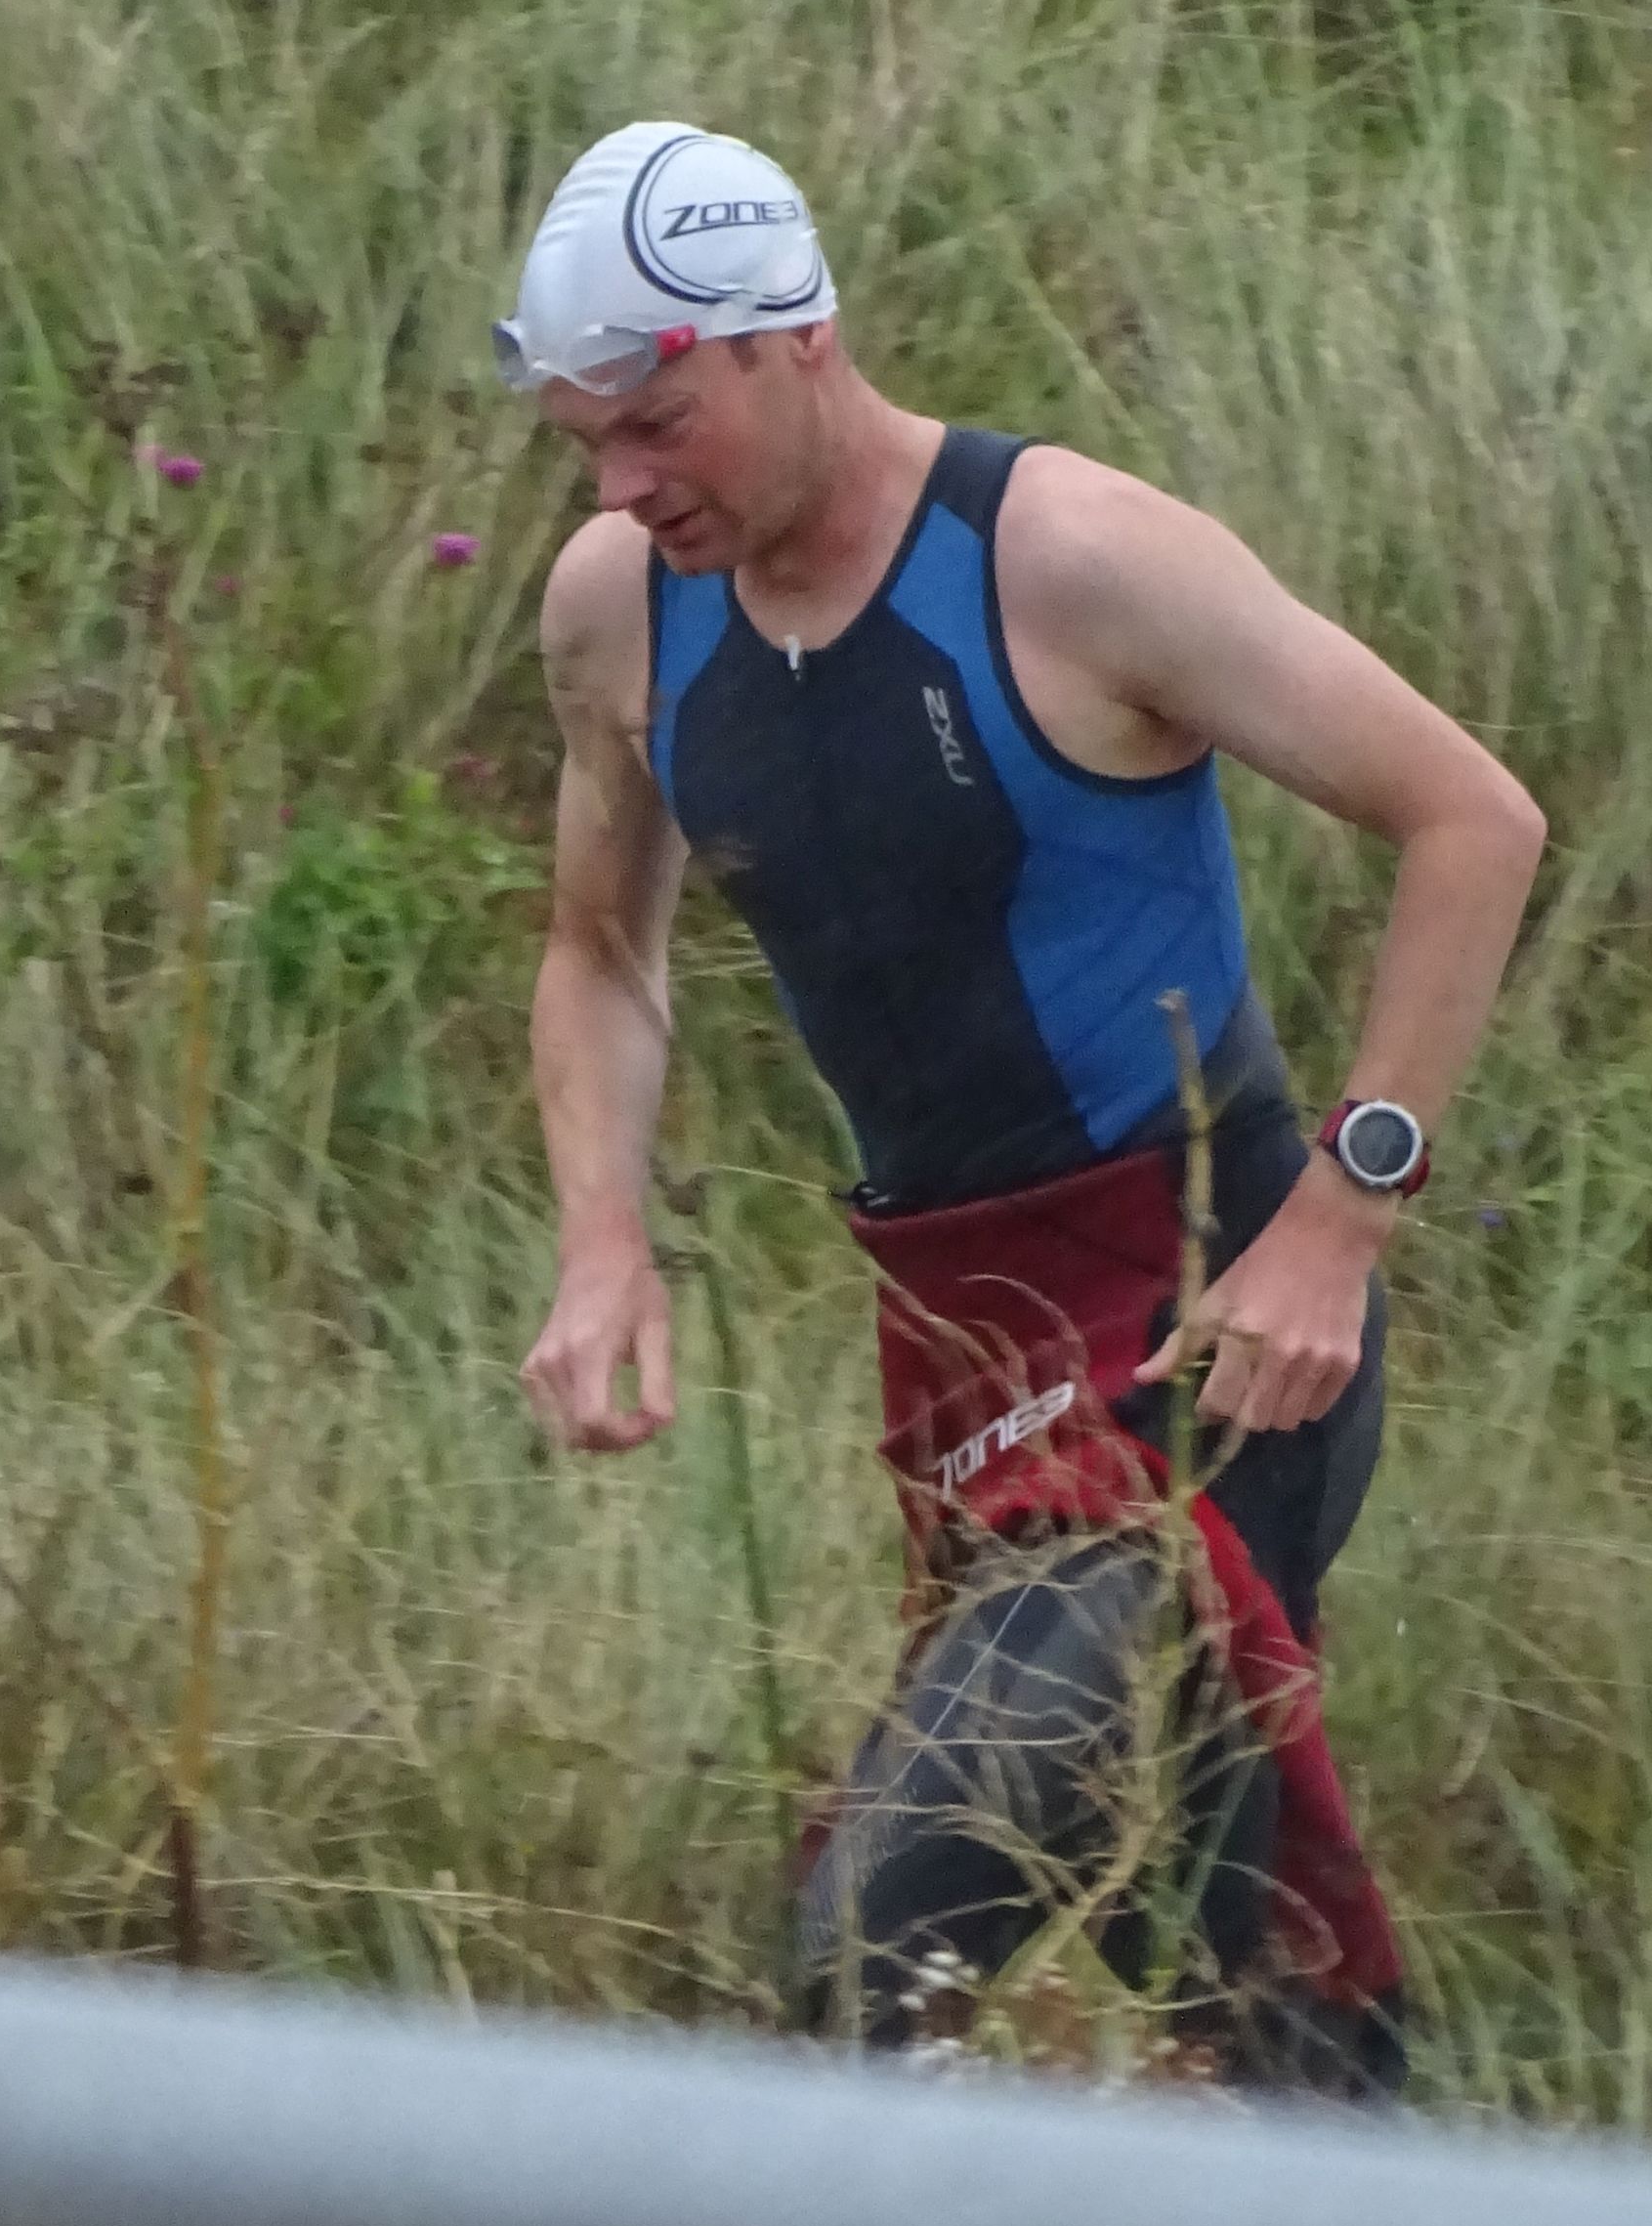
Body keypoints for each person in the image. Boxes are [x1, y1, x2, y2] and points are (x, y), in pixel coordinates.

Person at [509, 118, 1545, 2087]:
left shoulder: (1062, 558)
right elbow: (598, 947)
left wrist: (1340, 1221)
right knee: (1219, 1972)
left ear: (794, 335)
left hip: (1208, 1330)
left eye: (654, 424)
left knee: (879, 1935)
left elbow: (1470, 819)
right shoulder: (619, 607)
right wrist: (602, 1237)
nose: (623, 485)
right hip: (958, 1349)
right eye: (585, 445)